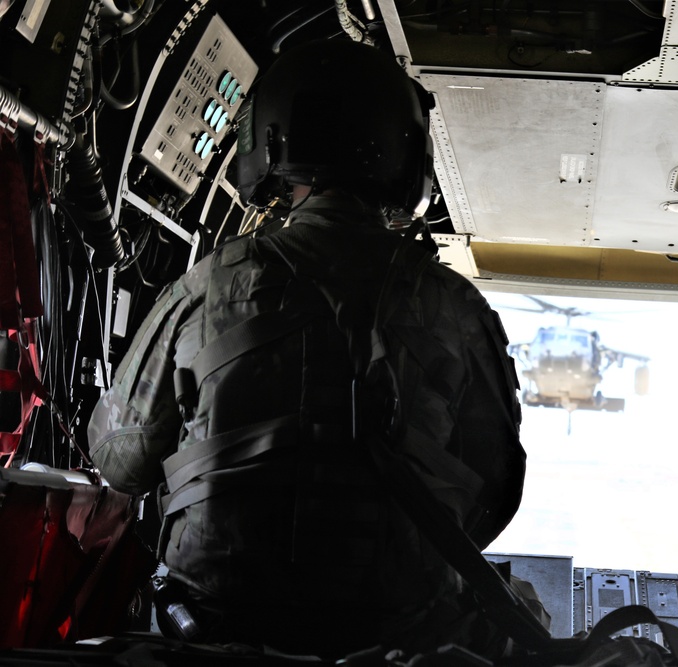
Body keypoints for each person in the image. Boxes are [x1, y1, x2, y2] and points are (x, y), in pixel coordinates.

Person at [87, 38, 530, 659]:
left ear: (266, 144)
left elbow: (119, 459)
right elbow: (494, 491)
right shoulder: (456, 308)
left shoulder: (211, 282)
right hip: (395, 633)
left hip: (217, 624)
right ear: (406, 158)